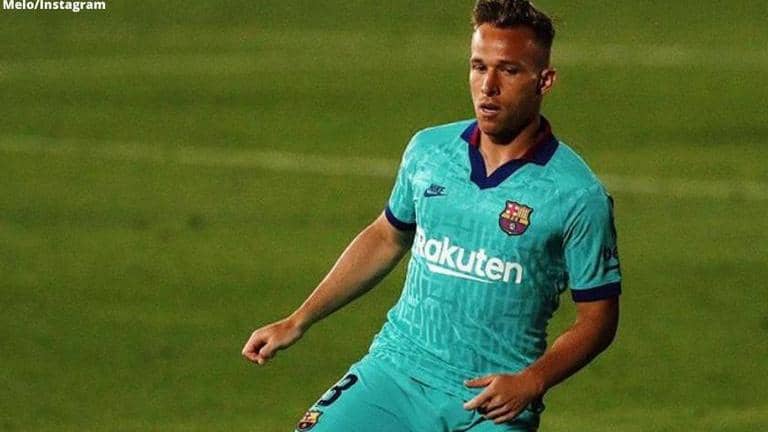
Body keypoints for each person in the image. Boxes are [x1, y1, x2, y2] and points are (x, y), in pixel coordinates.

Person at [242, 1, 621, 430]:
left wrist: (532, 380)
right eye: (478, 67)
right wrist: (298, 320)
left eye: (509, 70)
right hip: (394, 373)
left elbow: (598, 318)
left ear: (544, 80)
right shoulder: (429, 152)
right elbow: (387, 236)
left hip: (491, 400)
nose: (488, 86)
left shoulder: (576, 194)